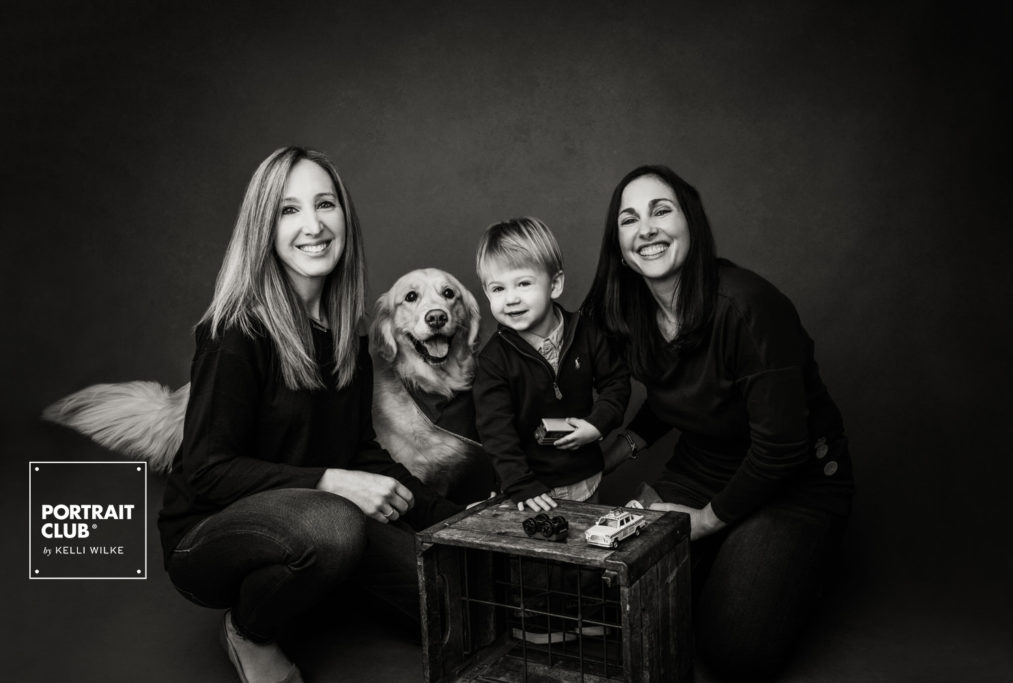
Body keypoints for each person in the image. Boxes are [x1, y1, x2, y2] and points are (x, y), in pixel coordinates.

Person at [157, 147, 461, 683]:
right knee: (336, 522)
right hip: (206, 536)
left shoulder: (348, 336)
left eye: (325, 204)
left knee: (458, 604)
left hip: (314, 518)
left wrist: (455, 521)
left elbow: (363, 452)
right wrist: (332, 481)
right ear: (263, 229)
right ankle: (249, 631)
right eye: (288, 210)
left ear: (345, 217)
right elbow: (206, 470)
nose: (314, 225)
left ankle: (325, 579)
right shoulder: (236, 332)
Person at [584, 165, 854, 680]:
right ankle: (730, 560)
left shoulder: (748, 306)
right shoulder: (633, 310)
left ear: (692, 226)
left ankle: (782, 563)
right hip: (705, 465)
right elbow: (671, 399)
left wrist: (701, 523)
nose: (647, 229)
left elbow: (780, 449)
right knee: (612, 588)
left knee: (735, 651)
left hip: (795, 481)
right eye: (629, 219)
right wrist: (606, 457)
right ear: (620, 247)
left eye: (662, 211)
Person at [472, 217, 630, 643]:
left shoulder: (587, 332)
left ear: (555, 284)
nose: (511, 299)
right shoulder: (494, 361)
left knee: (586, 552)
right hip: (533, 484)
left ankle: (587, 616)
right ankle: (539, 625)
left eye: (523, 284)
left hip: (585, 475)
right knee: (542, 563)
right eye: (497, 289)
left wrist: (598, 424)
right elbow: (496, 431)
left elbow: (616, 383)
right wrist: (520, 483)